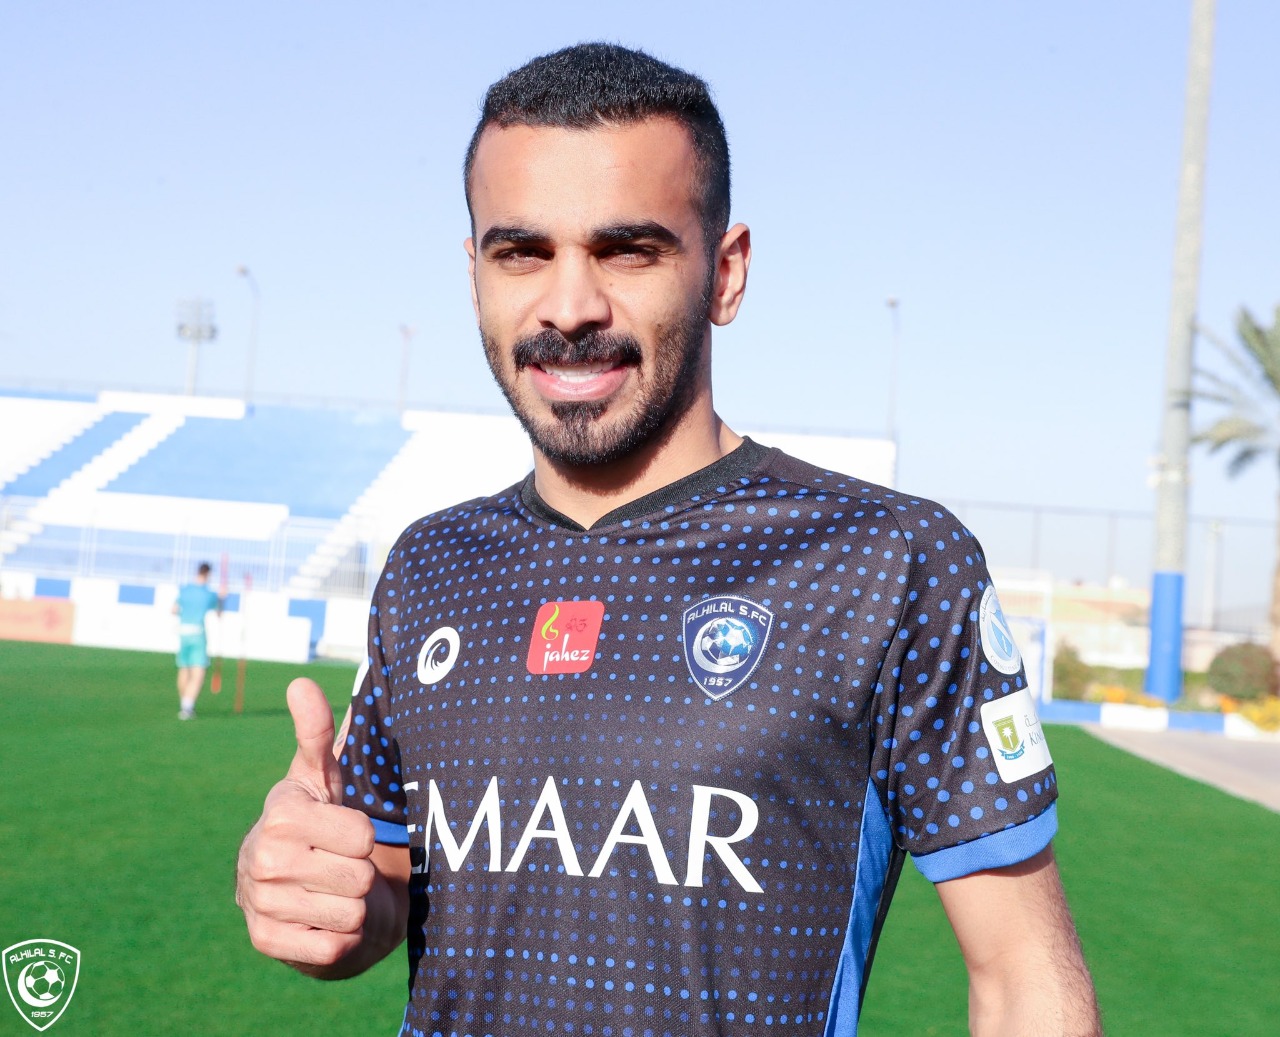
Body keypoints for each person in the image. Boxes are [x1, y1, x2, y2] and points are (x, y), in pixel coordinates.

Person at [236, 42, 1102, 1036]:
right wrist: (315, 892)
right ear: (474, 273)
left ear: (724, 274)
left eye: (626, 250)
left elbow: (1022, 974)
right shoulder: (431, 565)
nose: (569, 307)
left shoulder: (885, 561)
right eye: (522, 252)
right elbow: (388, 886)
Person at [173, 561, 222, 719]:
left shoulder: (185, 590)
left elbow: (174, 610)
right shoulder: (209, 594)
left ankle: (184, 703)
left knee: (184, 669)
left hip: (183, 632)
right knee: (198, 672)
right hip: (197, 633)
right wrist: (222, 598)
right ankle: (187, 707)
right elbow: (219, 613)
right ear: (208, 574)